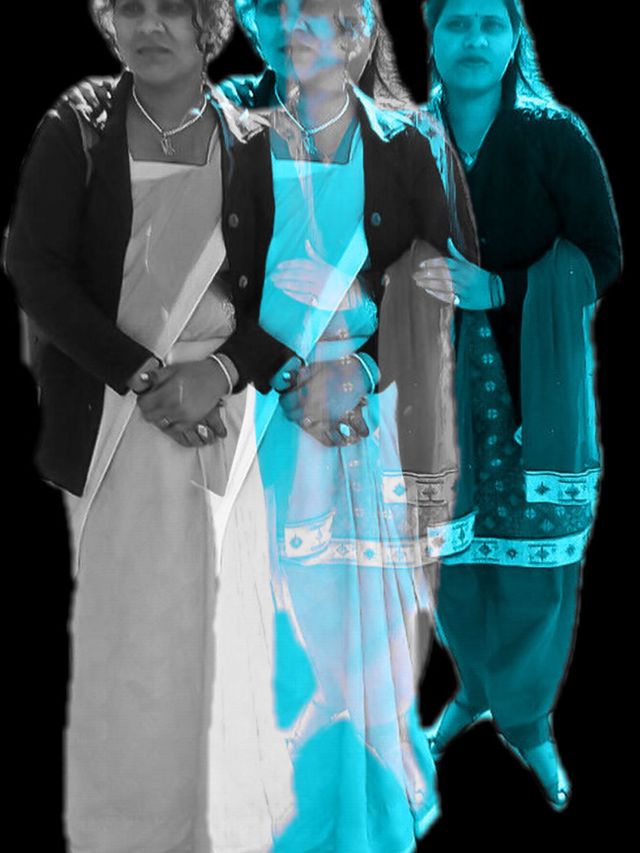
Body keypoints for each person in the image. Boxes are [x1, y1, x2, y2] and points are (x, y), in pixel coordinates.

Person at [4, 2, 302, 851]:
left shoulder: (257, 144)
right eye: (131, 7)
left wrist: (219, 373)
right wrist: (141, 374)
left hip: (226, 425)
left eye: (173, 7)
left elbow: (296, 287)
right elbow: (35, 265)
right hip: (111, 424)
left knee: (229, 638)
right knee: (130, 649)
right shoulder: (79, 125)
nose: (150, 26)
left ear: (208, 23)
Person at [415, 0, 621, 811]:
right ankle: (474, 688)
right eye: (456, 23)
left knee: (538, 565)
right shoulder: (405, 141)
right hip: (434, 391)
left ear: (512, 39)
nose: (473, 39)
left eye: (489, 24)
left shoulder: (553, 135)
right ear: (432, 37)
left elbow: (601, 256)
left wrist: (499, 289)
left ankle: (529, 718)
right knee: (449, 560)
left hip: (533, 397)